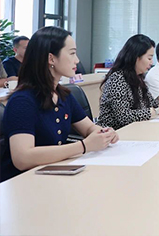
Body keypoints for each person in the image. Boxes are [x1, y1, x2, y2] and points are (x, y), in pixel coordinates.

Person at [1, 27, 118, 183]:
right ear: (51, 58)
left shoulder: (63, 95)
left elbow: (88, 128)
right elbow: (22, 158)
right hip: (23, 183)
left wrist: (103, 134)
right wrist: (83, 146)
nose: (77, 60)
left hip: (53, 176)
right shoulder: (22, 101)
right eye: (72, 53)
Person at [97, 34, 159, 131]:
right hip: (114, 133)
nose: (151, 63)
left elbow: (152, 103)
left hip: (135, 130)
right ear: (136, 58)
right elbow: (124, 116)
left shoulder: (139, 77)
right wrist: (157, 110)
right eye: (149, 58)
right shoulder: (117, 79)